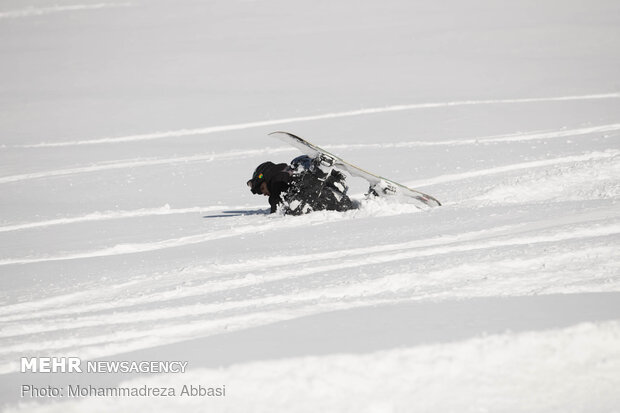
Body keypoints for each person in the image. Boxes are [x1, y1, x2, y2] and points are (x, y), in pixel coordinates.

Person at [247, 155, 354, 215]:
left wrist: (274, 206)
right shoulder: (288, 173)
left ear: (267, 176)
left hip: (328, 200)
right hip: (335, 201)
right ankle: (333, 177)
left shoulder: (277, 180)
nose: (265, 194)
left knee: (292, 208)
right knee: (295, 198)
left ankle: (321, 172)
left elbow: (276, 207)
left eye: (262, 188)